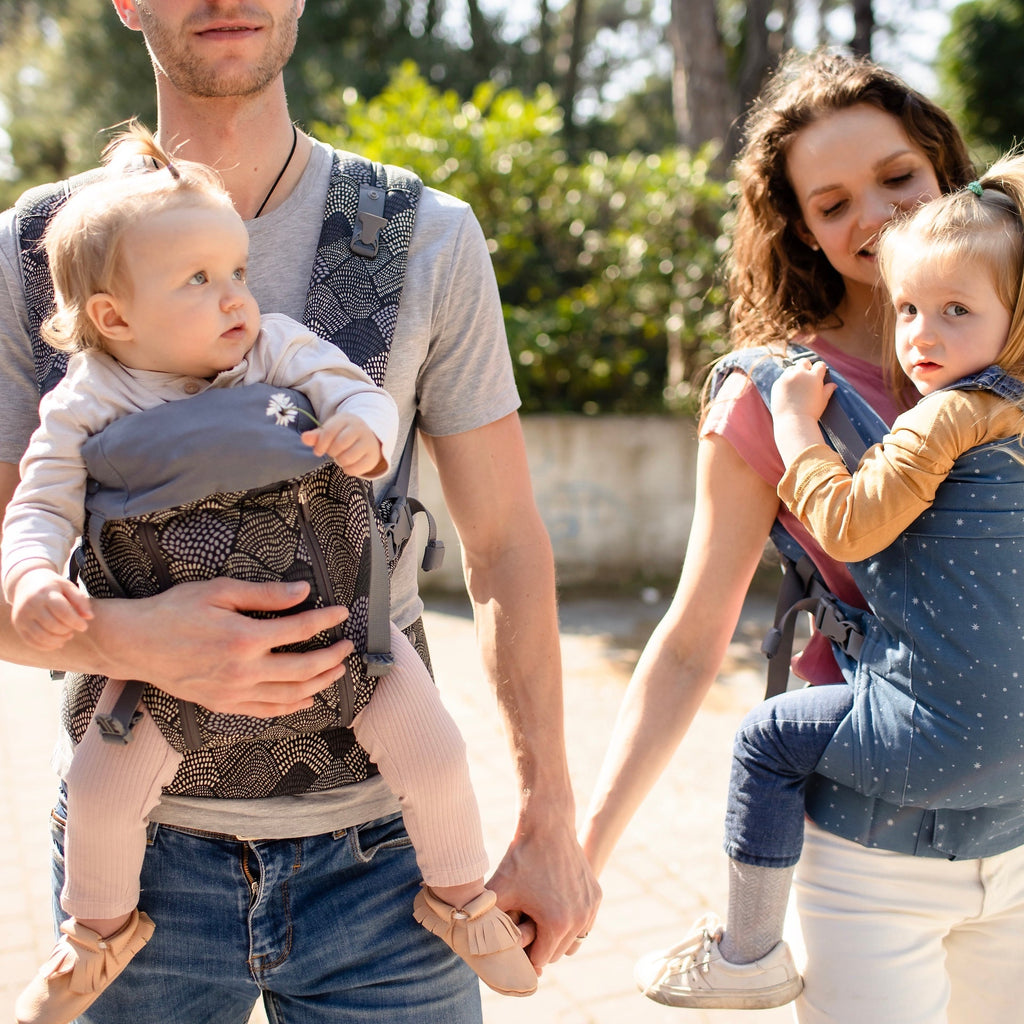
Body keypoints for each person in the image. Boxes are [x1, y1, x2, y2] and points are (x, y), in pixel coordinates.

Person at [0, 3, 599, 1021]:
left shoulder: (422, 236)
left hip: (388, 870)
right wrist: (122, 632)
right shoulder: (38, 251)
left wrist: (548, 812)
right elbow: (27, 530)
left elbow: (502, 543)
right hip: (144, 858)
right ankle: (83, 944)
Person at [580, 49, 1024, 1024]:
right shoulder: (770, 395)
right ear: (803, 232)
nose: (875, 215)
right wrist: (584, 853)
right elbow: (693, 637)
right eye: (832, 204)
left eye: (898, 178)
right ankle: (747, 944)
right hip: (869, 858)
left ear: (948, 172)